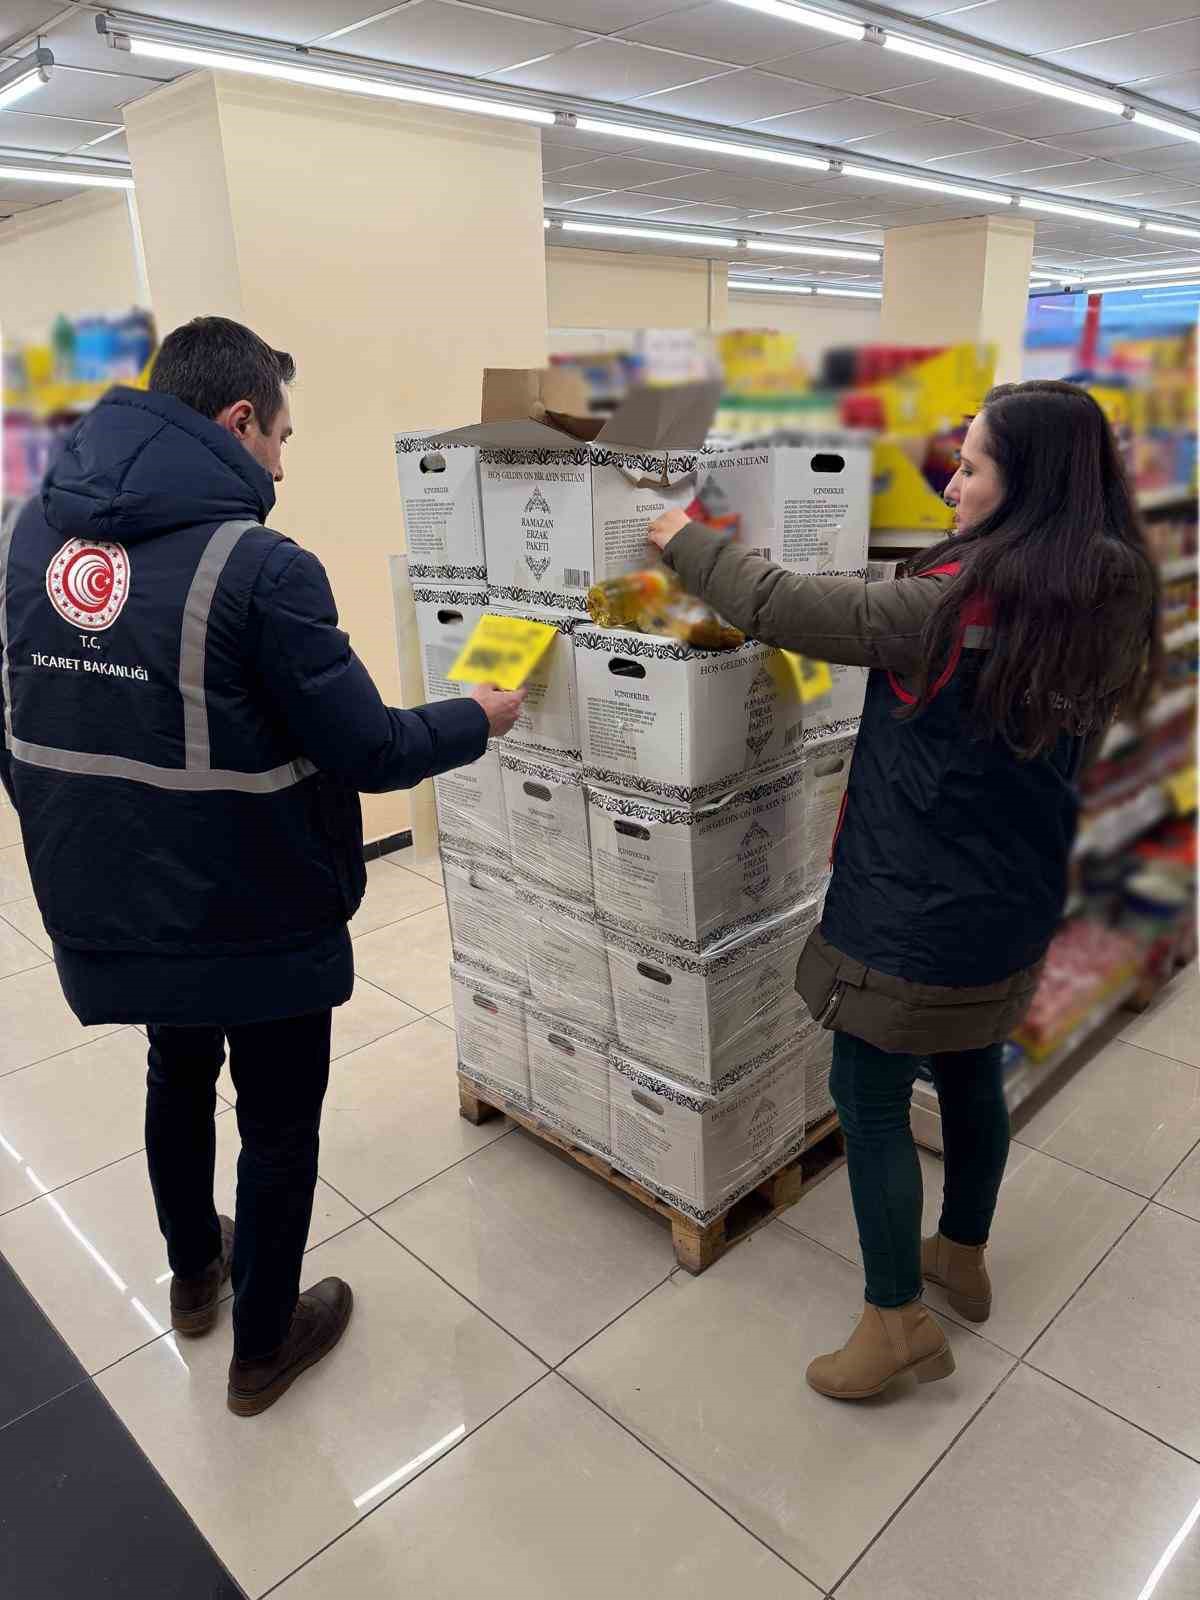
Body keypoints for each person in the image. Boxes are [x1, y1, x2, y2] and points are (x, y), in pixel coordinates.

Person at [0, 316, 524, 1417]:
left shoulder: (28, 534)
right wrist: (478, 716)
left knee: (177, 1075)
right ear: (239, 421)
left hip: (121, 905)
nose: (283, 464)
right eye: (282, 437)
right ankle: (263, 1344)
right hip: (259, 910)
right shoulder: (262, 565)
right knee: (278, 1124)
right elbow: (369, 749)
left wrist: (87, 833)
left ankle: (196, 1273)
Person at [649, 380, 1159, 1402]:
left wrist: (681, 536)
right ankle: (960, 1250)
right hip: (1015, 892)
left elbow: (783, 606)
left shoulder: (953, 604)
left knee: (868, 1095)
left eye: (970, 468)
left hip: (913, 898)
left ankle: (892, 1320)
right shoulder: (1111, 585)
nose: (950, 490)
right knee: (970, 1066)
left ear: (1029, 487)